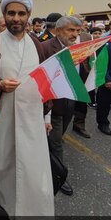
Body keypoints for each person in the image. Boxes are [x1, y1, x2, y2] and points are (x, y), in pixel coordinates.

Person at [0, 0, 54, 220]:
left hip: (32, 120)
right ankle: (4, 214)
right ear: (5, 15)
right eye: (11, 13)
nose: (16, 18)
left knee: (33, 170)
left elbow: (46, 83)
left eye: (21, 13)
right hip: (3, 119)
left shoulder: (39, 46)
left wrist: (47, 118)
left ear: (29, 15)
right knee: (2, 167)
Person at [42, 15, 84, 196]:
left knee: (56, 139)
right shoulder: (45, 48)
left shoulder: (79, 48)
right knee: (56, 142)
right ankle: (59, 176)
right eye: (71, 30)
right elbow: (43, 81)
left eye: (78, 30)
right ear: (58, 31)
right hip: (53, 106)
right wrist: (46, 114)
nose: (75, 34)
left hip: (70, 102)